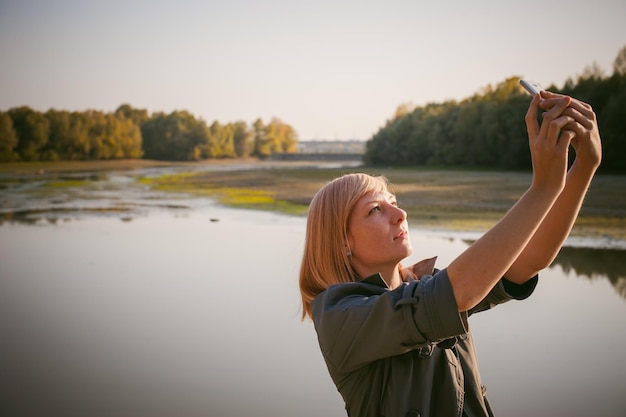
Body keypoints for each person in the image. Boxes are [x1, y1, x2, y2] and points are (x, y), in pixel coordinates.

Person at [298, 90, 602, 417]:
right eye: (375, 210)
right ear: (342, 241)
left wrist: (584, 165)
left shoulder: (427, 285)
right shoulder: (338, 316)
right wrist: (543, 188)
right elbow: (458, 293)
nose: (399, 214)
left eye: (394, 202)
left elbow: (527, 262)